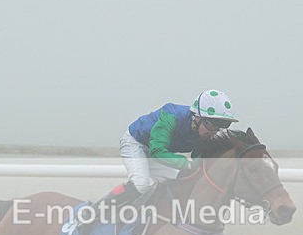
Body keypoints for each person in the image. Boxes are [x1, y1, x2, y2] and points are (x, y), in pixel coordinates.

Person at [87, 90, 239, 216]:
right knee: (141, 185)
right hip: (135, 142)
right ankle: (93, 212)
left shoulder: (205, 133)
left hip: (156, 152)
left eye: (220, 127)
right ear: (197, 117)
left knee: (179, 181)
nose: (213, 132)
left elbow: (197, 161)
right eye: (211, 125)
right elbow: (157, 150)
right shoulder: (171, 115)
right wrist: (186, 164)